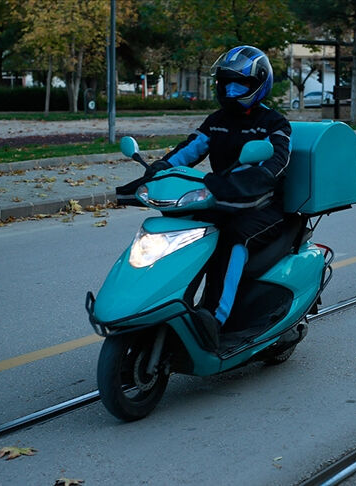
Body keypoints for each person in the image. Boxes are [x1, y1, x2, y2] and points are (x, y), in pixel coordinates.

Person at [117, 45, 291, 342]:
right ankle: (162, 304)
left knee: (233, 236)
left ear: (259, 85)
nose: (231, 89)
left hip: (261, 206)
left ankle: (213, 318)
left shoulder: (273, 124)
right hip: (220, 199)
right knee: (187, 232)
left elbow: (274, 164)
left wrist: (241, 184)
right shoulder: (217, 120)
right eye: (226, 82)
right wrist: (157, 171)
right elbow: (188, 151)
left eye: (241, 83)